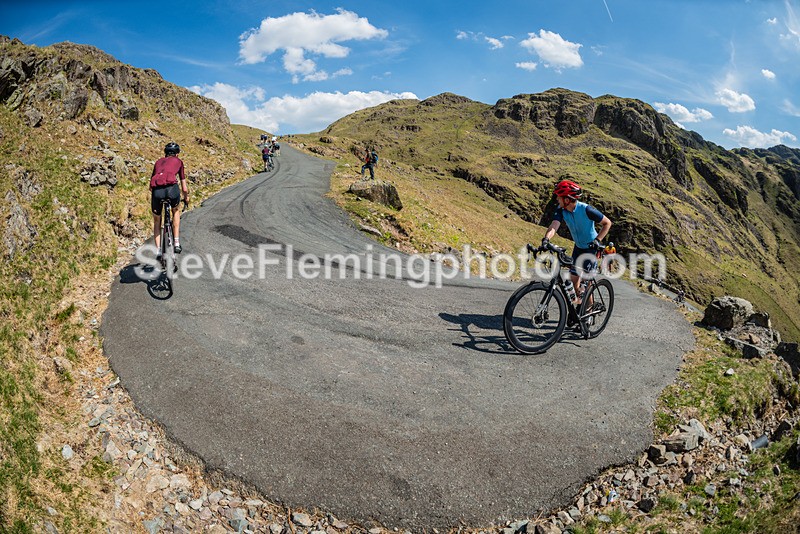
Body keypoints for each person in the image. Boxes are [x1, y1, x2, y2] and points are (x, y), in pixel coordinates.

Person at [542, 179, 612, 300]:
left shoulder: (586, 209)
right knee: (574, 282)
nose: (557, 199)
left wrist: (597, 240)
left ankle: (588, 311)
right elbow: (554, 225)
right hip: (578, 248)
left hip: (591, 249)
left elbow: (607, 223)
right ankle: (578, 308)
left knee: (586, 287)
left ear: (567, 200)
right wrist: (546, 239)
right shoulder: (561, 210)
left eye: (559, 197)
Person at [150, 142, 189, 254]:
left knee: (157, 220)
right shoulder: (179, 162)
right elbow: (184, 187)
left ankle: (158, 251)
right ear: (177, 154)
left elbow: (150, 187)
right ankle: (176, 243)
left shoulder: (158, 162)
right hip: (172, 190)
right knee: (175, 210)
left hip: (157, 192)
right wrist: (186, 198)